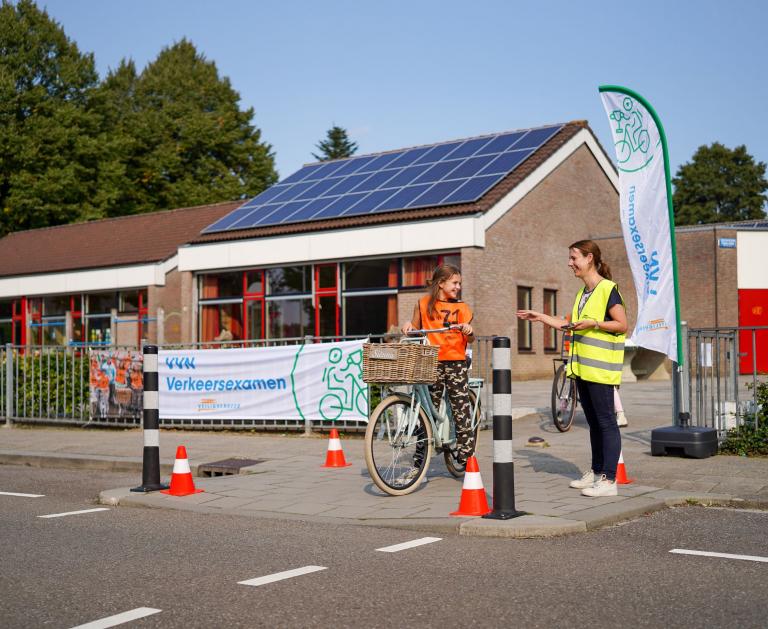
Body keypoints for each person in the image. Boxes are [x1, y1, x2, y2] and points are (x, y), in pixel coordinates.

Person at [517, 240, 627, 497]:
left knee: (606, 423)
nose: (570, 263)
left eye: (573, 258)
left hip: (600, 370)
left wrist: (595, 323)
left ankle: (609, 480)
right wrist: (541, 317)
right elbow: (570, 324)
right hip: (583, 369)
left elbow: (621, 324)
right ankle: (596, 471)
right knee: (593, 423)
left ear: (589, 258)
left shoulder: (608, 289)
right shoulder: (582, 294)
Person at [402, 264, 475, 477]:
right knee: (426, 413)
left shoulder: (462, 307)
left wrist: (469, 331)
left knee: (461, 408)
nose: (458, 287)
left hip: (455, 362)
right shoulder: (423, 304)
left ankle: (467, 458)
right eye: (454, 283)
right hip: (430, 361)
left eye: (459, 283)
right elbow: (414, 329)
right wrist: (407, 325)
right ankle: (419, 463)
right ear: (441, 283)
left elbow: (470, 338)